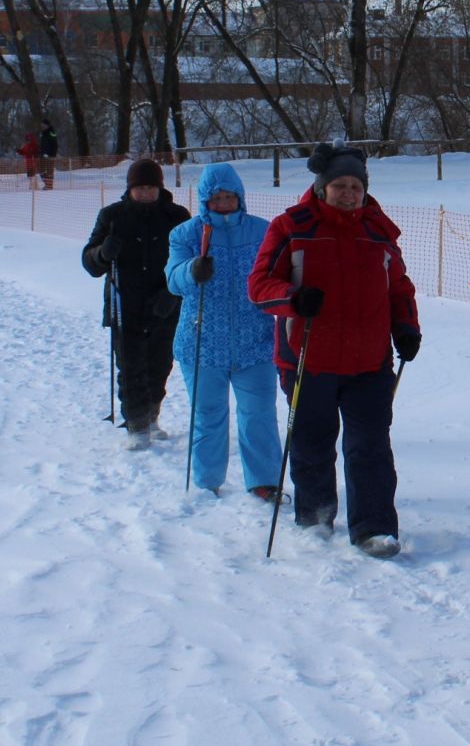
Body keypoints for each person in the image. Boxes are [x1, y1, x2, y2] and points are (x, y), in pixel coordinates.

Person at [249, 142, 420, 558]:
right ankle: (315, 517)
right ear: (322, 186)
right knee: (312, 444)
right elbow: (259, 287)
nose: (348, 193)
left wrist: (406, 326)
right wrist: (293, 298)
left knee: (371, 446)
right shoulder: (291, 227)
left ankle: (374, 528)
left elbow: (398, 287)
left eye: (355, 187)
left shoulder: (379, 231)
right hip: (307, 358)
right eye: (339, 185)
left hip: (370, 360)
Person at [166, 163, 283, 500]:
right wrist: (192, 270)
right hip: (202, 344)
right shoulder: (186, 234)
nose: (223, 203)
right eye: (216, 198)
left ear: (240, 197)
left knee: (258, 414)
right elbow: (173, 279)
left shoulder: (264, 231)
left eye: (229, 196)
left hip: (255, 343)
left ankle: (264, 481)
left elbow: (280, 274)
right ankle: (207, 481)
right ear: (205, 201)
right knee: (208, 414)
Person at [82, 158, 191, 448]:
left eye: (150, 188)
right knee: (131, 368)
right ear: (130, 189)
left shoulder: (177, 216)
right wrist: (103, 253)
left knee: (159, 365)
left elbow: (188, 263)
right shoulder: (112, 216)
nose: (145, 193)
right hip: (124, 306)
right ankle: (136, 424)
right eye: (139, 188)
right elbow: (90, 262)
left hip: (164, 305)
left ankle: (152, 415)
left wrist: (171, 296)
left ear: (160, 188)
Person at [38, 118, 60, 190]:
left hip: (50, 155)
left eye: (44, 125)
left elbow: (55, 144)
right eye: (42, 125)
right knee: (41, 170)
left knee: (49, 170)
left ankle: (49, 186)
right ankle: (47, 184)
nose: (42, 126)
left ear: (47, 125)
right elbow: (42, 145)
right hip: (42, 155)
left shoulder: (51, 132)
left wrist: (52, 154)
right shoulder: (42, 133)